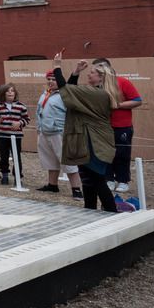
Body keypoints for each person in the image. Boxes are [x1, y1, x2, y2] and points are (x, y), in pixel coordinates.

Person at [51, 53, 117, 212]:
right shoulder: (98, 92)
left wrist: (57, 66)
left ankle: (111, 213)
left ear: (101, 77)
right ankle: (90, 210)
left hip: (94, 143)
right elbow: (71, 93)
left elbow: (66, 90)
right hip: (90, 140)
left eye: (93, 72)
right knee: (88, 180)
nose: (89, 73)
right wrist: (76, 72)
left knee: (97, 179)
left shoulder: (97, 93)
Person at [91, 58, 143, 194]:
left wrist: (118, 105)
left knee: (122, 154)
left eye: (99, 69)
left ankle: (123, 180)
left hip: (122, 126)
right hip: (103, 126)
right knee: (105, 153)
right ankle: (108, 179)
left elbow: (137, 101)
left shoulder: (123, 82)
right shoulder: (96, 85)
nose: (95, 73)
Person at [36, 74, 83, 198]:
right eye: (49, 79)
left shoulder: (64, 94)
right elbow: (39, 111)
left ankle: (76, 189)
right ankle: (52, 185)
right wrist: (38, 127)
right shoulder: (45, 93)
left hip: (59, 131)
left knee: (67, 161)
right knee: (50, 160)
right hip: (44, 131)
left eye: (53, 79)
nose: (50, 82)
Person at [0, 84, 30, 185]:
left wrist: (19, 123)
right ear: (3, 94)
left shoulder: (21, 106)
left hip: (16, 136)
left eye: (12, 91)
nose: (10, 92)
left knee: (16, 156)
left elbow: (27, 119)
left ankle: (18, 177)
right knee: (3, 156)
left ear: (15, 93)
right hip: (2, 135)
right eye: (7, 91)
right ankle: (4, 175)